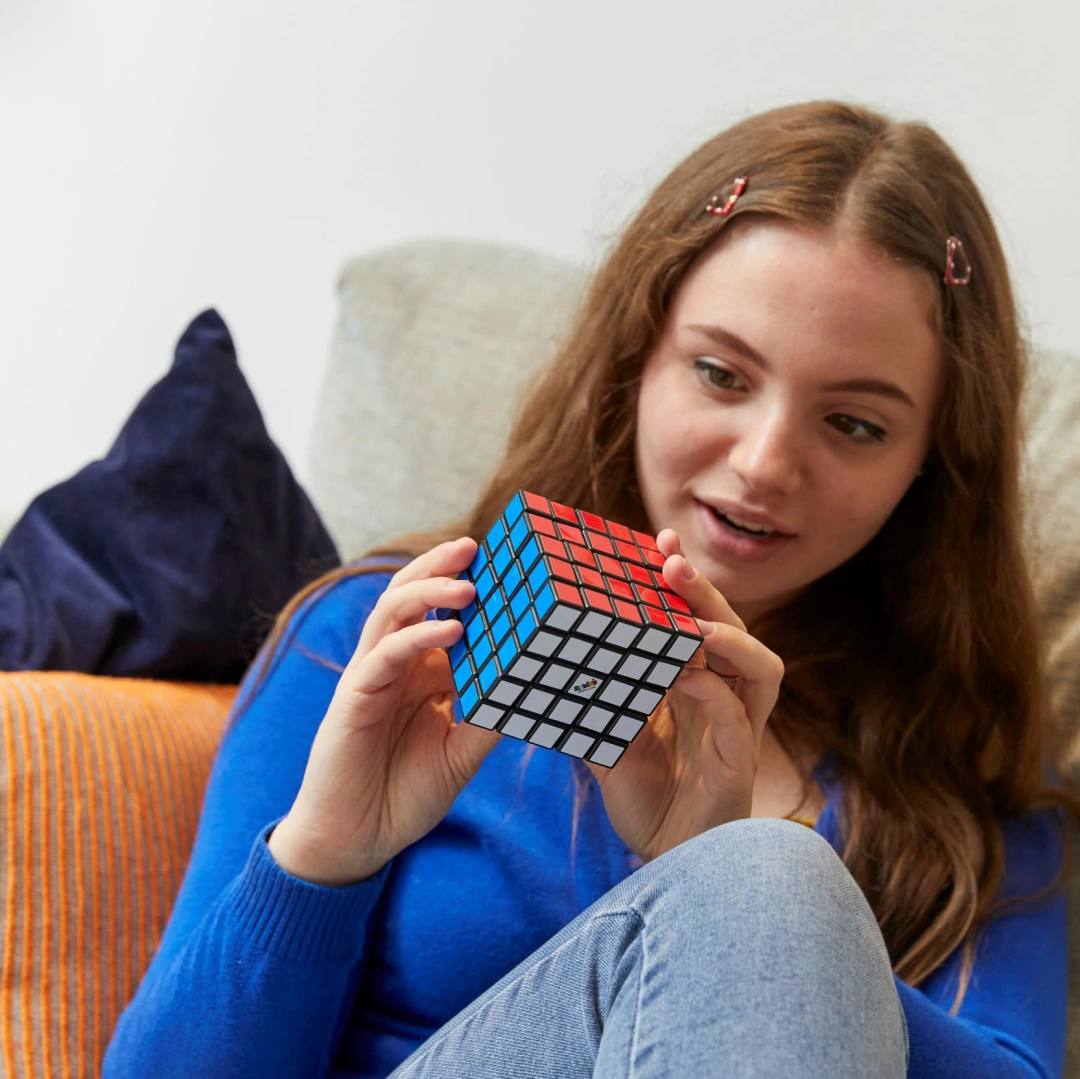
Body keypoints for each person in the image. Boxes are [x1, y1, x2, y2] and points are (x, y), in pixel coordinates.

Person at [103, 100, 1078, 1079]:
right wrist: (323, 854)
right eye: (720, 373)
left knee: (768, 875)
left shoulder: (976, 799)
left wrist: (725, 887)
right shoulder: (385, 639)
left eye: (856, 424)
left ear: (932, 463)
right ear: (637, 358)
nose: (765, 460)